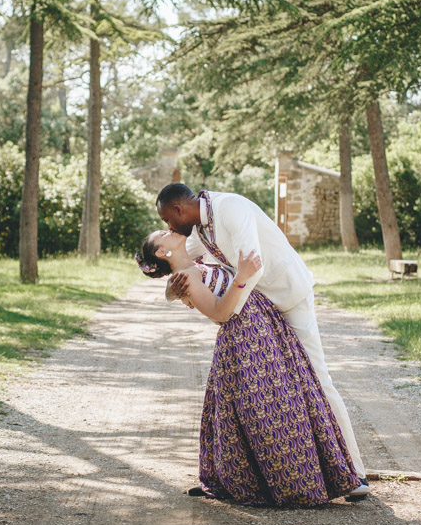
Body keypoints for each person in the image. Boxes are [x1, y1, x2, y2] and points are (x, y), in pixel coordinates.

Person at [156, 183, 371, 500]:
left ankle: (354, 471)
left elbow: (251, 265)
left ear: (178, 210)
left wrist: (228, 313)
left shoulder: (231, 208)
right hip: (259, 312)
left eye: (168, 221)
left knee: (317, 379)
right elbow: (190, 265)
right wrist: (175, 290)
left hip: (289, 297)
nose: (169, 228)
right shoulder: (198, 232)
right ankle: (252, 475)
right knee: (256, 398)